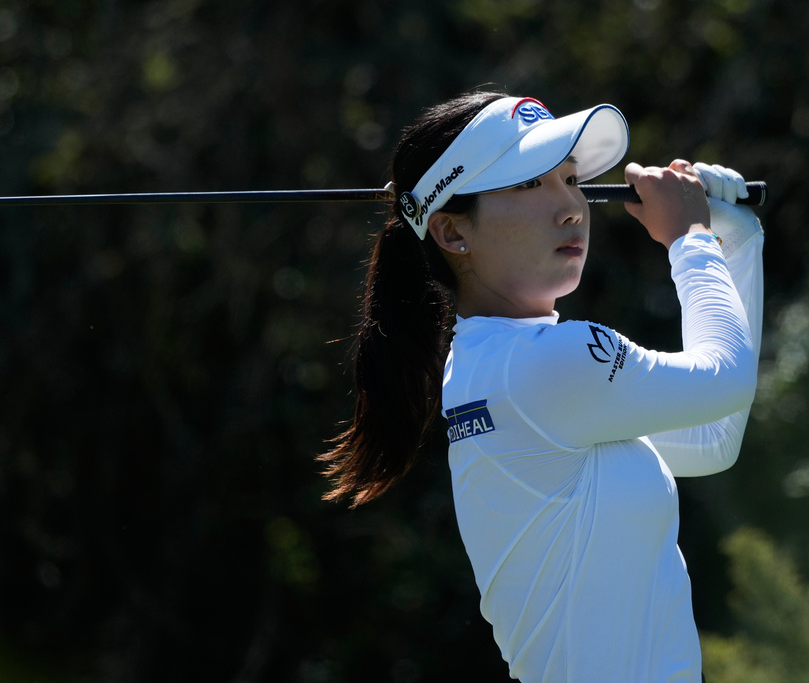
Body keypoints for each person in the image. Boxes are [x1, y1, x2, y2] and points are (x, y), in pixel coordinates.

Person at [319, 89, 764, 682]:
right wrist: (692, 239)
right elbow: (725, 382)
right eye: (530, 185)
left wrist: (733, 242)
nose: (571, 207)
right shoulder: (547, 364)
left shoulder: (492, 365)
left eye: (571, 179)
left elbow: (711, 436)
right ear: (453, 234)